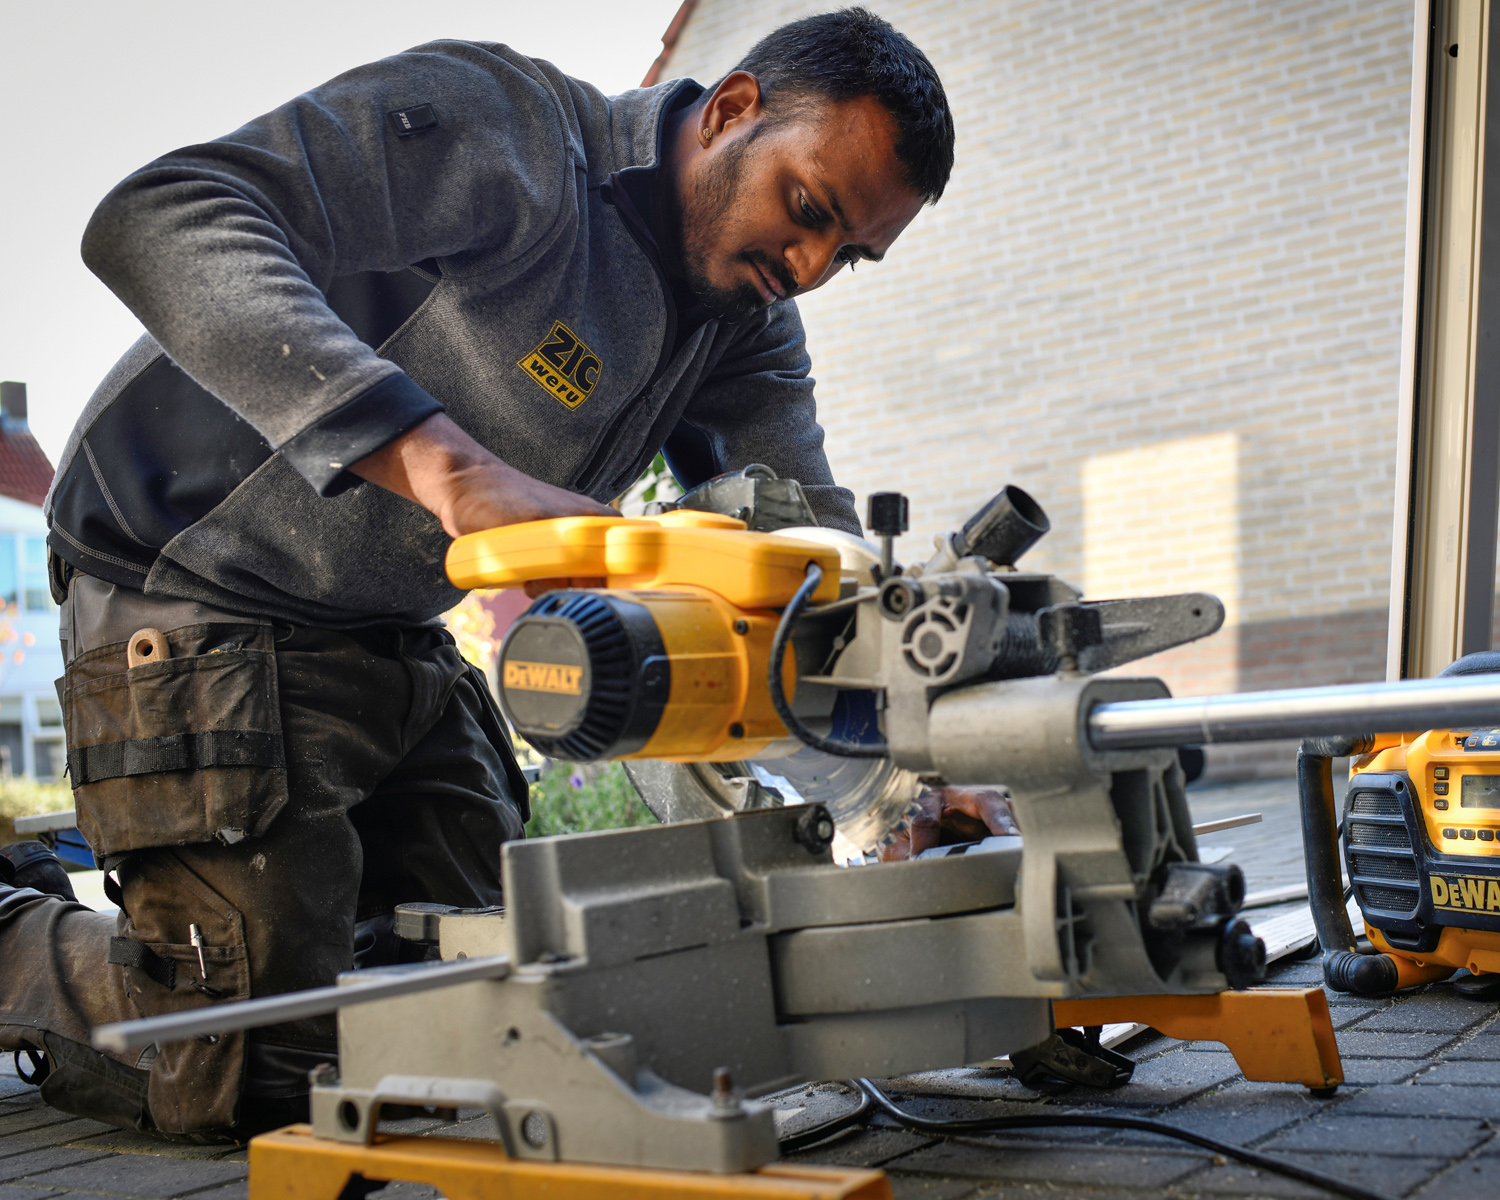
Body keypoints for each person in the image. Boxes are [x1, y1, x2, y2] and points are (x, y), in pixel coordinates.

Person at [0, 8, 965, 1140]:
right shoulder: (507, 129)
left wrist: (909, 779)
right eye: (807, 207)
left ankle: (231, 922)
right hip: (189, 584)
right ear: (733, 110)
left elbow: (804, 574)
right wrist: (446, 467)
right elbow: (157, 216)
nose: (806, 268)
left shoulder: (742, 324)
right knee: (266, 1068)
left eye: (847, 255)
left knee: (485, 1010)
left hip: (390, 631)